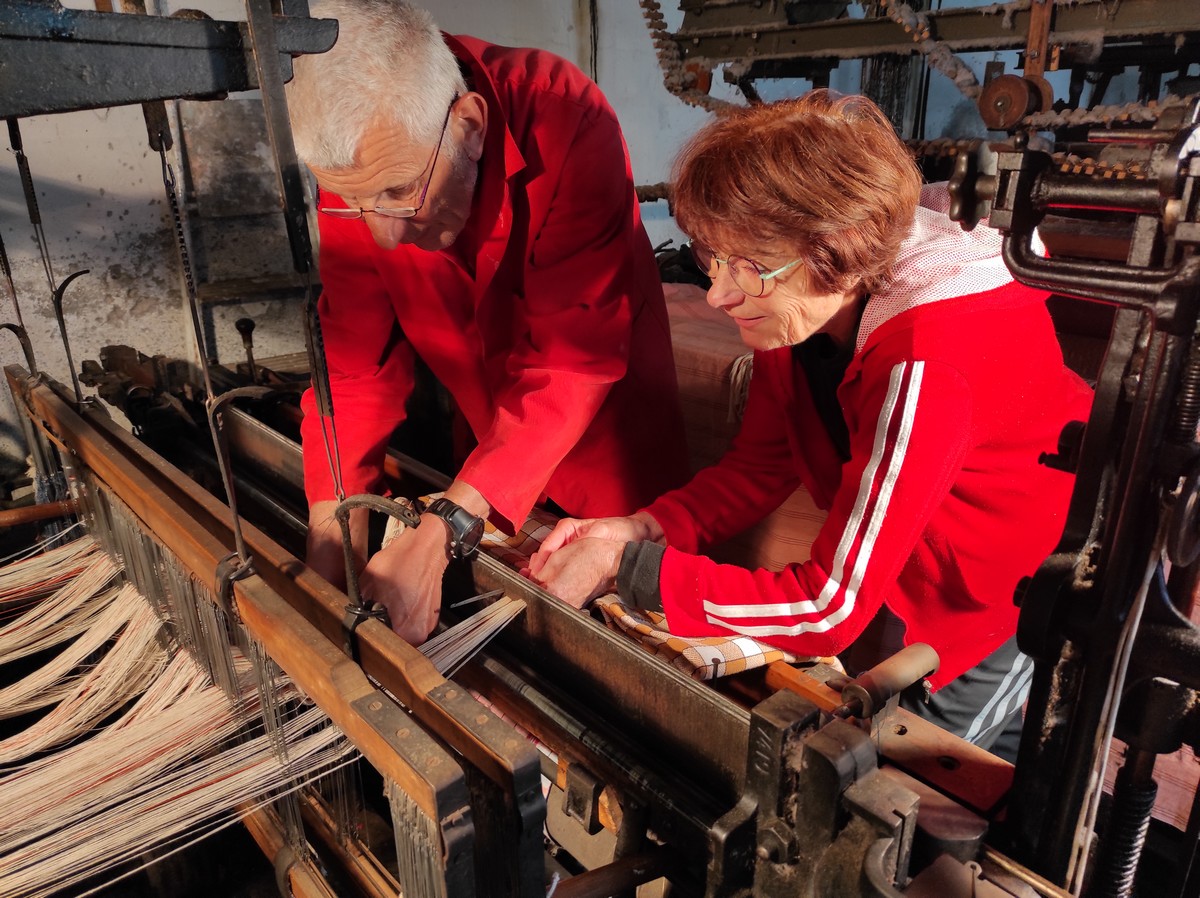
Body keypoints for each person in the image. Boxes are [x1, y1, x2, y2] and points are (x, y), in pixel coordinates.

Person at [527, 91, 1093, 757]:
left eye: (750, 268)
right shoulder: (803, 314)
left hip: (1008, 589)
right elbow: (758, 467)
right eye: (714, 259)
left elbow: (827, 608)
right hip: (920, 565)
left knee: (927, 779)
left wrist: (631, 570)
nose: (718, 294)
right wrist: (638, 528)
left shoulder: (929, 361)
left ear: (837, 250)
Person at [286, 0, 688, 644]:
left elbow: (570, 362)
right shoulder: (369, 161)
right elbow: (354, 370)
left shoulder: (566, 121)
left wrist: (444, 528)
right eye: (356, 205)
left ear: (470, 125)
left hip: (606, 451)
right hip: (481, 449)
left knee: (609, 639)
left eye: (400, 194)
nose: (384, 237)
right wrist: (330, 544)